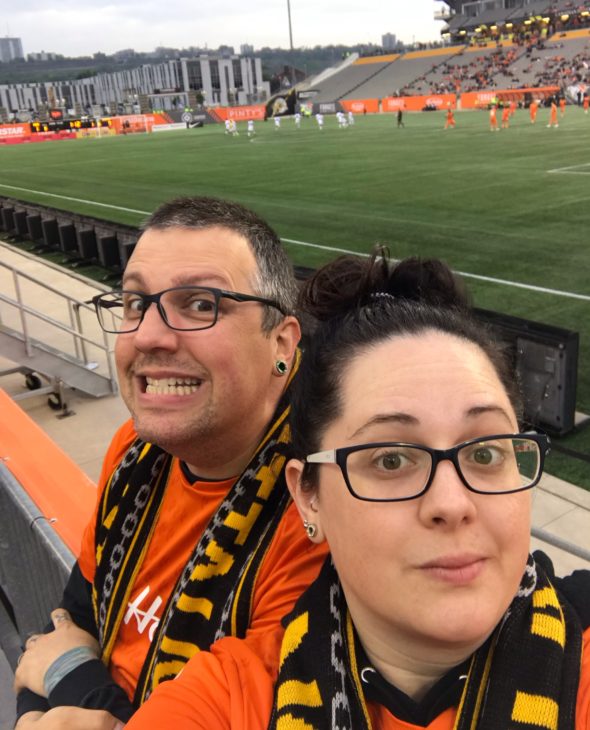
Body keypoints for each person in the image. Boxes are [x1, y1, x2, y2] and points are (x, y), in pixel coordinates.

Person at [123, 250, 590, 728]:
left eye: (485, 454)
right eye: (391, 460)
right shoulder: (228, 700)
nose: (452, 504)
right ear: (309, 497)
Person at [13, 197, 327, 726]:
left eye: (201, 304)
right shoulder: (132, 453)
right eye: (136, 303)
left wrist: (72, 676)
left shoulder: (321, 509)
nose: (149, 336)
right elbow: (69, 620)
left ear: (281, 342)